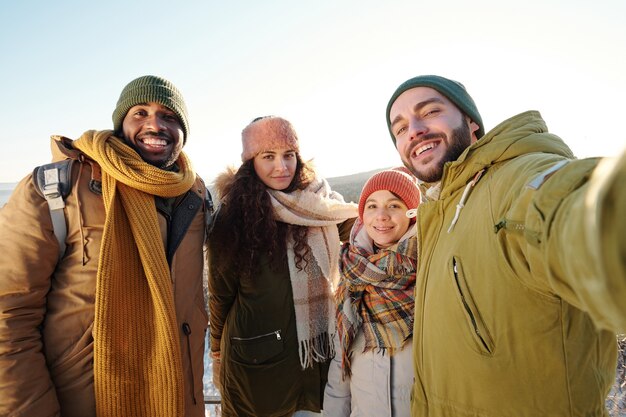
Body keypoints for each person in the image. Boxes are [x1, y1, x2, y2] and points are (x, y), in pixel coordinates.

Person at [385, 74, 626, 416]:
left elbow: (569, 209)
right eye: (400, 127)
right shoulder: (439, 213)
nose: (414, 129)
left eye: (430, 111)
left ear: (472, 123)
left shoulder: (513, 180)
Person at [0, 75, 211, 417]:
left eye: (169, 117)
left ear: (183, 131)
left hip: (175, 401)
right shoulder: (56, 190)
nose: (155, 125)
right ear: (120, 124)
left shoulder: (194, 197)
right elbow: (9, 318)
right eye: (140, 113)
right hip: (85, 402)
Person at [207, 116, 358, 417]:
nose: (282, 167)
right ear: (251, 162)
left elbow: (366, 230)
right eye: (268, 156)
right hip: (257, 368)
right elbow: (220, 293)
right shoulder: (233, 216)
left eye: (289, 155)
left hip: (316, 361)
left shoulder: (320, 205)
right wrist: (215, 352)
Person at [323, 168, 421, 417]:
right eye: (372, 206)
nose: (381, 216)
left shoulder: (431, 267)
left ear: (412, 214)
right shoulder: (352, 276)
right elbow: (340, 366)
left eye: (394, 205)